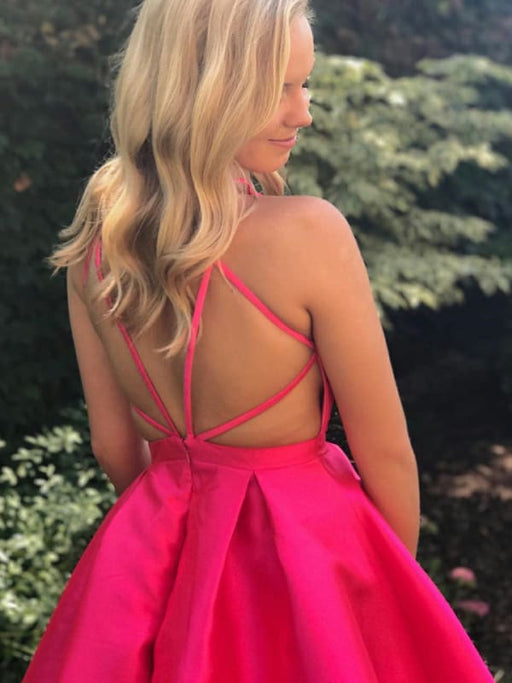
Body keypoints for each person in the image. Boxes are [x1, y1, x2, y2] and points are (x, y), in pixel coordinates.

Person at [23, 0, 494, 681]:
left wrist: (181, 530)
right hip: (307, 565)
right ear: (203, 87)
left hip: (149, 560)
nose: (303, 113)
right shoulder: (309, 233)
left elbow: (114, 447)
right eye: (279, 88)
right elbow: (387, 452)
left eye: (305, 85)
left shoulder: (100, 243)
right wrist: (382, 601)